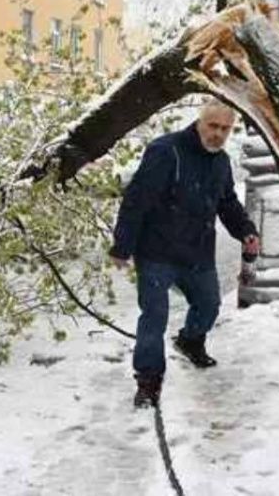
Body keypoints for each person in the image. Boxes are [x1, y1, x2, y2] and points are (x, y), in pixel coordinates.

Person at [109, 98, 261, 409]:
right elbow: (137, 200)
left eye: (225, 129)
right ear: (199, 123)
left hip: (197, 252)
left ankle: (190, 340)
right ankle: (148, 381)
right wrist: (122, 247)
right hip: (156, 252)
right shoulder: (167, 151)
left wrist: (245, 230)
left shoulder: (220, 162)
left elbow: (227, 203)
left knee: (209, 305)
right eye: (213, 126)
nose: (218, 134)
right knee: (154, 317)